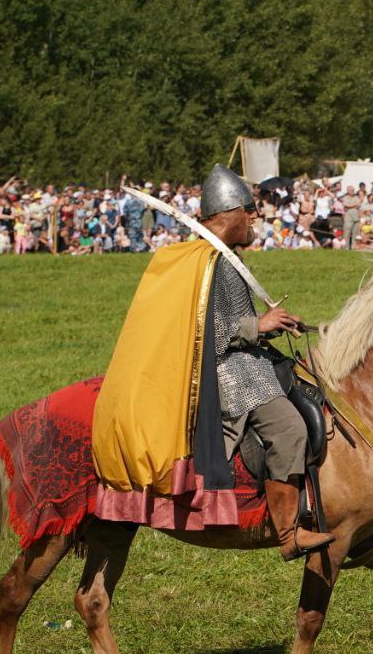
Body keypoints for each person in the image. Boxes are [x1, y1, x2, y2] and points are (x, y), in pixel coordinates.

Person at [93, 164, 334, 561]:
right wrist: (259, 323)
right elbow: (209, 331)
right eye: (250, 210)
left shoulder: (223, 257)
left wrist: (272, 326)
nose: (256, 217)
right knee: (290, 428)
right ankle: (290, 532)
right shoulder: (209, 262)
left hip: (249, 359)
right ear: (231, 214)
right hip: (230, 372)